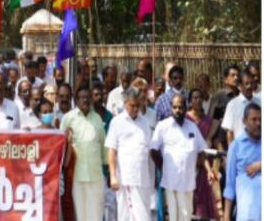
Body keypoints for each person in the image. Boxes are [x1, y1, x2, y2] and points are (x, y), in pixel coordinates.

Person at [150, 93, 209, 221]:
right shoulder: (163, 126)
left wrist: (207, 170)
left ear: (186, 107)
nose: (177, 110)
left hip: (188, 181)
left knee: (186, 214)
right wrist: (162, 166)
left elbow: (202, 150)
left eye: (180, 107)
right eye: (174, 107)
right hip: (171, 181)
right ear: (171, 107)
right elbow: (153, 150)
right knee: (173, 215)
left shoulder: (192, 126)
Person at [105, 86, 153, 221]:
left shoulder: (144, 122)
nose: (136, 109)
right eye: (132, 105)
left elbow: (147, 151)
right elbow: (112, 150)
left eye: (138, 105)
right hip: (125, 178)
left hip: (143, 178)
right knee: (126, 216)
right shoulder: (117, 122)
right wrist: (113, 176)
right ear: (125, 103)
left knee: (142, 215)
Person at [60, 87, 106, 221]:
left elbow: (103, 146)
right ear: (76, 100)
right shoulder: (68, 118)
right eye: (82, 97)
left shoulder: (97, 119)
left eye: (87, 97)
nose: (85, 100)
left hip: (95, 175)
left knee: (96, 215)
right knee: (80, 215)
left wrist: (107, 170)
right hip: (76, 176)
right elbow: (61, 146)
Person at [221, 102, 261, 221]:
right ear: (244, 121)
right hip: (247, 212)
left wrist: (260, 165)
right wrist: (226, 215)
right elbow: (230, 185)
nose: (258, 123)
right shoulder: (236, 146)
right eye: (254, 119)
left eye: (261, 119)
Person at [186, 88, 218, 220]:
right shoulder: (185, 118)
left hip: (206, 166)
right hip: (189, 165)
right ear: (190, 101)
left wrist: (209, 139)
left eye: (200, 97)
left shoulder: (208, 121)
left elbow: (216, 130)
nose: (198, 100)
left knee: (204, 204)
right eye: (194, 97)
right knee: (189, 201)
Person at [222, 70, 260, 144]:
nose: (249, 86)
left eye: (251, 83)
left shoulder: (260, 102)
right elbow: (230, 133)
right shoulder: (232, 105)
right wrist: (232, 153)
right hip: (241, 150)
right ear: (239, 86)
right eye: (246, 83)